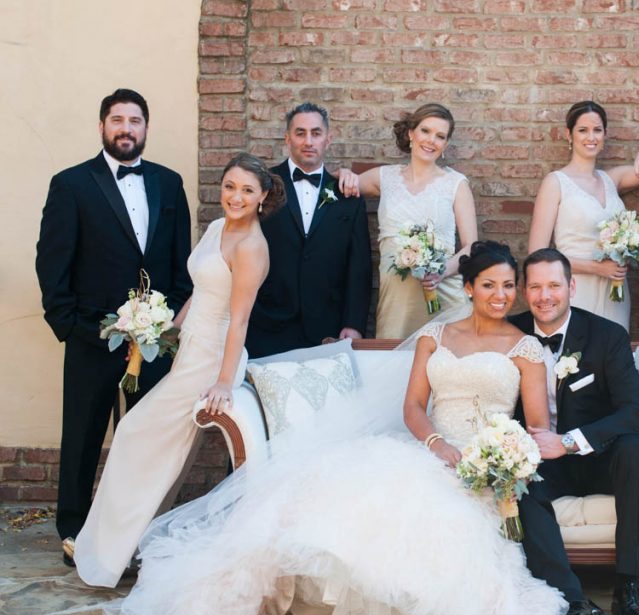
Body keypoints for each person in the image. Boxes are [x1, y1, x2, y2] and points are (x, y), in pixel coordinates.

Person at [98, 241, 566, 615]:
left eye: (509, 286)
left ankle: (401, 610)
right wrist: (436, 444)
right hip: (428, 449)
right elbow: (413, 407)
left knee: (437, 519)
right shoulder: (435, 337)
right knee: (309, 497)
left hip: (481, 465)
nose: (500, 295)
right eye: (489, 285)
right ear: (468, 288)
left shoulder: (525, 349)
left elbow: (537, 428)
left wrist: (497, 460)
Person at [68, 153, 279, 587]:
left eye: (247, 190)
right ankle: (122, 547)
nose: (235, 197)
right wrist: (164, 333)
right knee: (159, 451)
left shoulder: (251, 247)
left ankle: (114, 549)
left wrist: (224, 381)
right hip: (190, 350)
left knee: (133, 432)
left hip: (212, 359)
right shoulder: (218, 228)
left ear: (263, 197)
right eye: (230, 187)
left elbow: (239, 320)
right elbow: (199, 293)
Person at [35, 88, 193, 566]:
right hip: (92, 336)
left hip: (154, 339)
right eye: (118, 120)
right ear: (102, 126)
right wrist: (69, 325)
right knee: (83, 437)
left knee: (145, 439)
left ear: (146, 128)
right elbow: (52, 261)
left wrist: (166, 321)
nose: (126, 129)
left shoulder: (169, 183)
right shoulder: (71, 184)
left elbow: (179, 260)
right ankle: (74, 531)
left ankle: (137, 531)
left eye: (135, 120)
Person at [509, 249, 639, 615]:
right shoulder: (508, 335)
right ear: (525, 292)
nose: (545, 296)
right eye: (536, 287)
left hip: (599, 457)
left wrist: (567, 442)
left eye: (554, 286)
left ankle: (628, 588)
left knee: (637, 450)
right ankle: (575, 603)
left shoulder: (606, 336)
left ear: (571, 287)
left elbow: (637, 412)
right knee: (517, 482)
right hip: (542, 464)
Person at [527, 101, 639, 331]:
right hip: (575, 289)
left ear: (605, 134)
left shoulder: (612, 179)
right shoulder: (556, 183)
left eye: (597, 130)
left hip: (614, 292)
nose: (591, 137)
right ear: (569, 134)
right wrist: (597, 268)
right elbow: (537, 254)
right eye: (583, 130)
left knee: (614, 349)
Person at [338, 103, 478, 339]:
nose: (431, 140)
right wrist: (344, 173)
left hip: (443, 296)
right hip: (396, 301)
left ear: (445, 145)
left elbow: (471, 247)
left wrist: (441, 272)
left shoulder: (456, 184)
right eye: (425, 131)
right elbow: (337, 187)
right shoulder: (385, 177)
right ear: (411, 133)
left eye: (440, 136)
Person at [245, 103, 372, 359]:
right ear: (287, 138)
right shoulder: (263, 186)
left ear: (328, 139)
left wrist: (354, 323)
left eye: (316, 133)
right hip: (267, 323)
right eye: (300, 133)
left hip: (328, 325)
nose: (308, 141)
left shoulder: (347, 194)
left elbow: (359, 265)